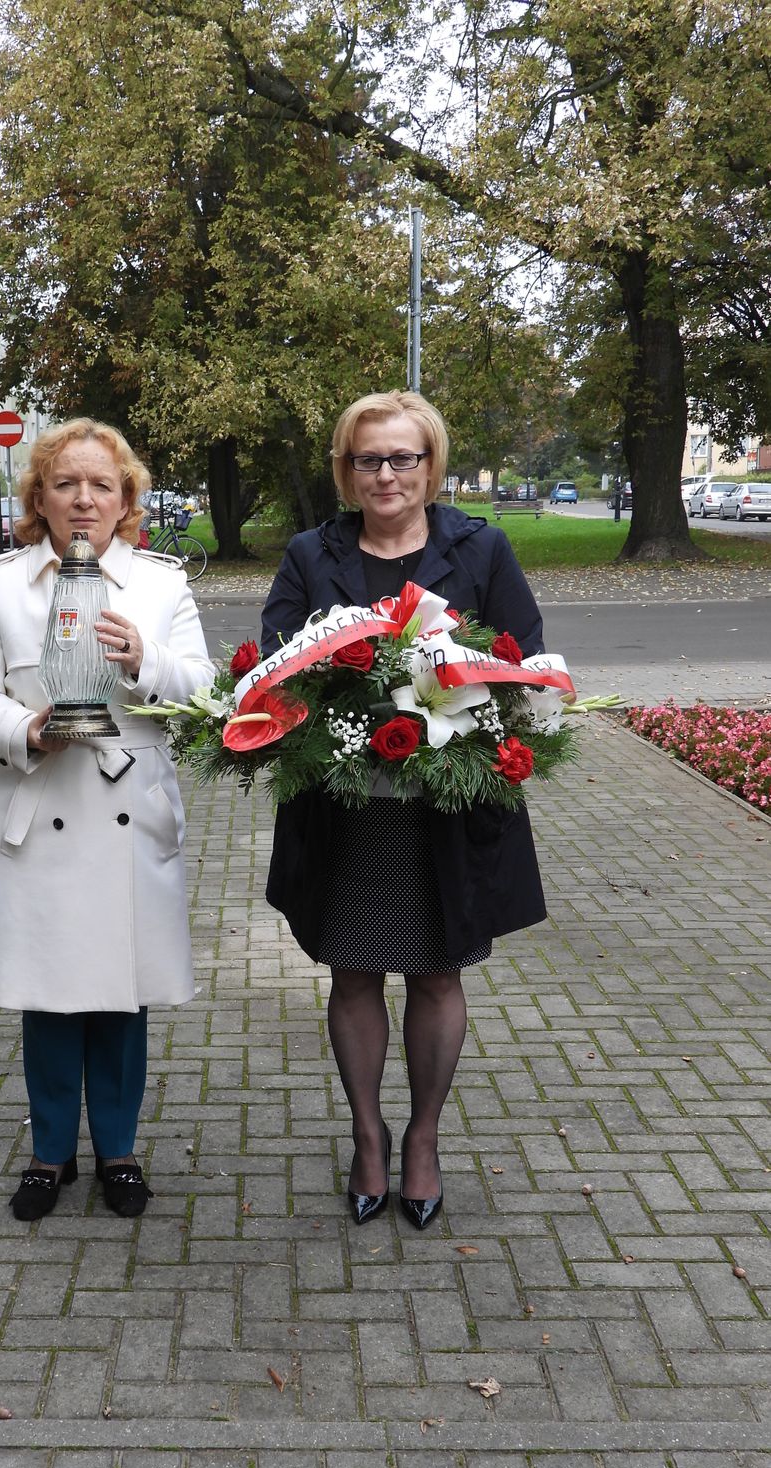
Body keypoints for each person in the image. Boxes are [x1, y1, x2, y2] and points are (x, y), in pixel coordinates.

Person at [261, 391, 547, 1229]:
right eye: (368, 460)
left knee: (437, 970)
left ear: (431, 466)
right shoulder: (312, 555)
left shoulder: (481, 547)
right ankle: (366, 1136)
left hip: (446, 807)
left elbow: (520, 655)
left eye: (403, 458)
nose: (386, 475)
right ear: (346, 472)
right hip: (348, 806)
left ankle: (422, 1138)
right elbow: (278, 662)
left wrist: (457, 679)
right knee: (353, 971)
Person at [0, 419, 214, 1221]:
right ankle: (50, 1154)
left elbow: (202, 688)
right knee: (51, 994)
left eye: (102, 485)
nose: (84, 499)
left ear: (127, 499)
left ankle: (120, 1153)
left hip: (130, 807)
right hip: (44, 804)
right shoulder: (1, 585)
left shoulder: (162, 585)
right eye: (66, 484)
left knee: (122, 996)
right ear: (40, 498)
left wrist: (145, 660)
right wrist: (25, 730)